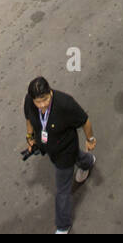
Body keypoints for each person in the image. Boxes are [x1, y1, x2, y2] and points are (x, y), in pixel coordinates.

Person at [23, 77, 96, 234]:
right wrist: (30, 138)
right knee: (78, 157)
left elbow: (85, 121)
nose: (42, 105)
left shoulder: (66, 103)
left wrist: (90, 140)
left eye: (45, 99)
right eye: (38, 101)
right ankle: (88, 162)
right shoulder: (29, 101)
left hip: (65, 149)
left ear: (50, 92)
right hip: (49, 146)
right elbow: (28, 118)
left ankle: (63, 225)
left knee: (62, 190)